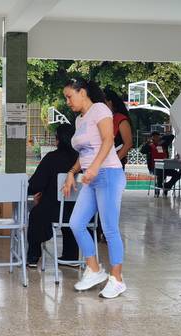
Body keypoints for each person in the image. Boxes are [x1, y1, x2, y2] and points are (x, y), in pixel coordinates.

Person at [63, 78, 127, 299]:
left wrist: (95, 168)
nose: (68, 101)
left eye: (70, 96)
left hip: (108, 173)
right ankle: (94, 270)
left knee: (109, 229)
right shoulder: (79, 120)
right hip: (91, 177)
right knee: (76, 223)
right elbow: (84, 154)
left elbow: (108, 140)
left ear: (83, 93)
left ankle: (117, 279)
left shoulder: (100, 109)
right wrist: (72, 172)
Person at [26, 124, 79, 267]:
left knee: (35, 214)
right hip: (79, 212)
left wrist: (39, 192)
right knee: (69, 213)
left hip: (53, 210)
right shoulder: (80, 160)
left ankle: (33, 256)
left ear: (58, 140)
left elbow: (35, 185)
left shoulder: (51, 158)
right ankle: (72, 255)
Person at [140, 131, 181, 196]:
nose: (156, 138)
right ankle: (158, 188)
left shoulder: (163, 145)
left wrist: (161, 139)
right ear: (152, 138)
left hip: (165, 167)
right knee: (161, 173)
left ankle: (167, 186)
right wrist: (148, 143)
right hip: (154, 168)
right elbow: (142, 151)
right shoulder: (149, 146)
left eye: (157, 137)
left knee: (177, 174)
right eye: (154, 137)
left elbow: (172, 136)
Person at [104, 89, 133, 169]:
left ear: (110, 103)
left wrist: (113, 162)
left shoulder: (120, 119)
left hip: (113, 166)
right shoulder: (104, 120)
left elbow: (128, 144)